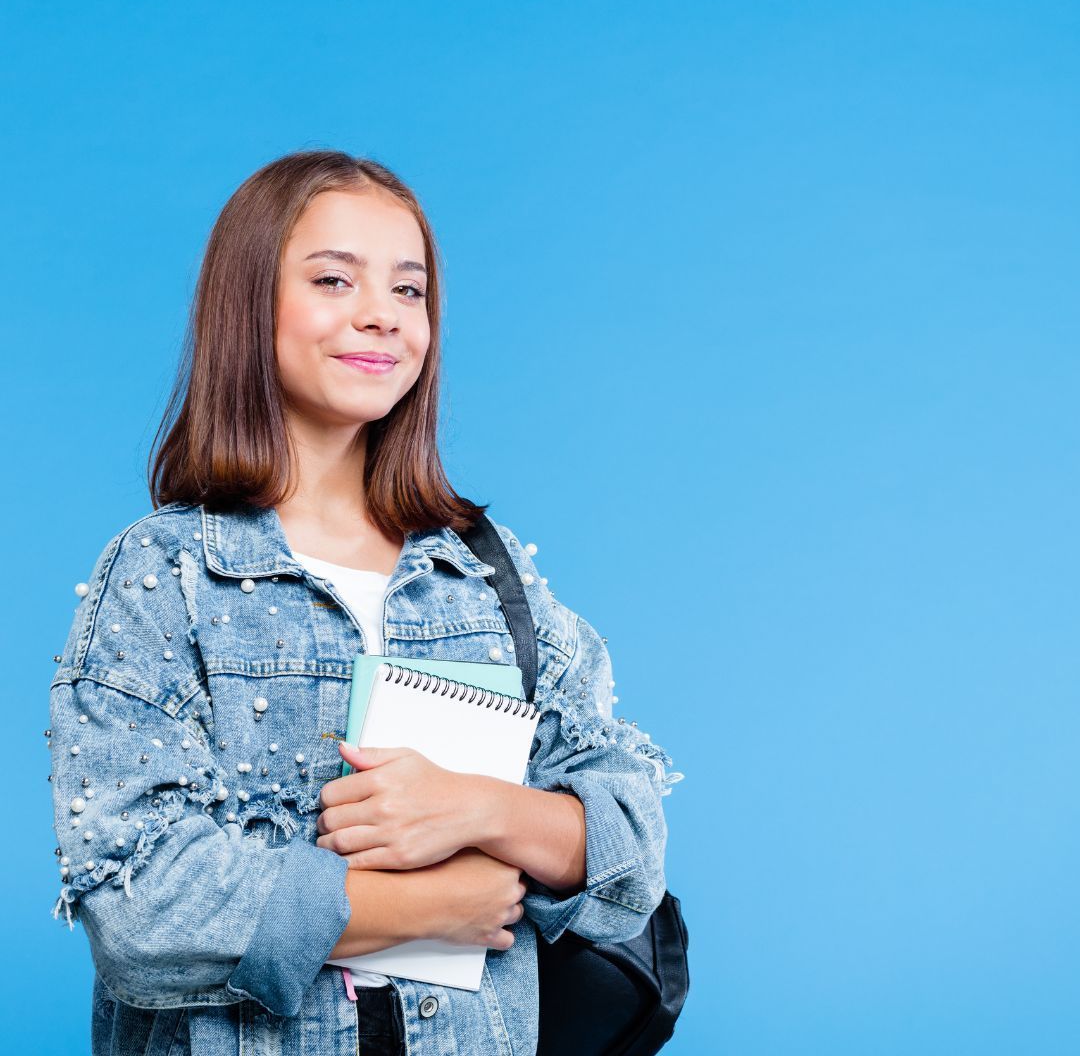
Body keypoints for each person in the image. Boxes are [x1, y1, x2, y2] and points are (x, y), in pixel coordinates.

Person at [46, 149, 682, 1056]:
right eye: (334, 280)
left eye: (409, 290)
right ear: (249, 304)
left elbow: (630, 855)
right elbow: (138, 910)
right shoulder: (165, 574)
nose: (382, 314)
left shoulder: (484, 574)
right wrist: (416, 906)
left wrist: (478, 809)